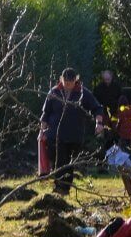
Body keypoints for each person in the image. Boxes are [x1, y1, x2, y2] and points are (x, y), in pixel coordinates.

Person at [38, 67, 106, 196]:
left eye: (71, 82)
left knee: (69, 163)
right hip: (55, 134)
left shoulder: (83, 93)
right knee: (58, 160)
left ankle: (65, 188)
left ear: (76, 80)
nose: (68, 85)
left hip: (74, 135)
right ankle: (59, 187)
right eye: (65, 82)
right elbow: (45, 114)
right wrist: (42, 131)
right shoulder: (54, 92)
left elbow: (97, 108)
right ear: (61, 79)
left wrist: (99, 123)